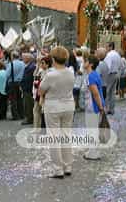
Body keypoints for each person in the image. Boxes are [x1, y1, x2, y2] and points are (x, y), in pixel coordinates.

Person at [40, 46, 75, 179]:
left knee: (54, 137)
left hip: (53, 106)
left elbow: (41, 90)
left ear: (53, 59)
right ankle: (68, 165)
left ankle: (58, 169)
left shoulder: (50, 75)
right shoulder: (70, 72)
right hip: (68, 105)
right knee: (66, 135)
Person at [83, 54, 105, 160]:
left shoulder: (91, 76)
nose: (84, 62)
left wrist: (100, 107)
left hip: (93, 106)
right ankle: (93, 150)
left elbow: (95, 93)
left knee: (92, 129)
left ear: (90, 64)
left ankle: (93, 152)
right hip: (93, 105)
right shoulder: (94, 74)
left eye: (86, 61)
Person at [33, 56, 52, 133]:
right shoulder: (41, 71)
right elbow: (34, 75)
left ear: (47, 64)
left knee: (43, 112)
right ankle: (36, 127)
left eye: (43, 63)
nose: (41, 64)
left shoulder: (49, 72)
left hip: (44, 95)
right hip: (39, 94)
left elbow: (45, 84)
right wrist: (37, 66)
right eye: (41, 63)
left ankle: (42, 128)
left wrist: (38, 84)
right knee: (36, 110)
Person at [6, 51, 25, 120]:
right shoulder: (23, 63)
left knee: (13, 100)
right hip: (21, 83)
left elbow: (7, 75)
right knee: (20, 99)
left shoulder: (11, 64)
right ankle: (22, 114)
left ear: (12, 56)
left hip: (12, 83)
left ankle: (15, 116)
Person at [104, 42, 122, 114]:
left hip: (110, 74)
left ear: (111, 47)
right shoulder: (117, 54)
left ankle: (106, 109)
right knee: (112, 93)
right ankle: (112, 109)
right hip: (116, 74)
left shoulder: (109, 55)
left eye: (107, 47)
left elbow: (107, 66)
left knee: (107, 92)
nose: (106, 48)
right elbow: (120, 65)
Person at [21, 53, 36, 125]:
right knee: (27, 104)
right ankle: (29, 118)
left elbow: (28, 79)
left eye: (24, 58)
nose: (22, 59)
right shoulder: (30, 66)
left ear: (28, 58)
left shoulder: (30, 67)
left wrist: (23, 86)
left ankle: (29, 119)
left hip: (28, 89)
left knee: (28, 105)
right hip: (27, 88)